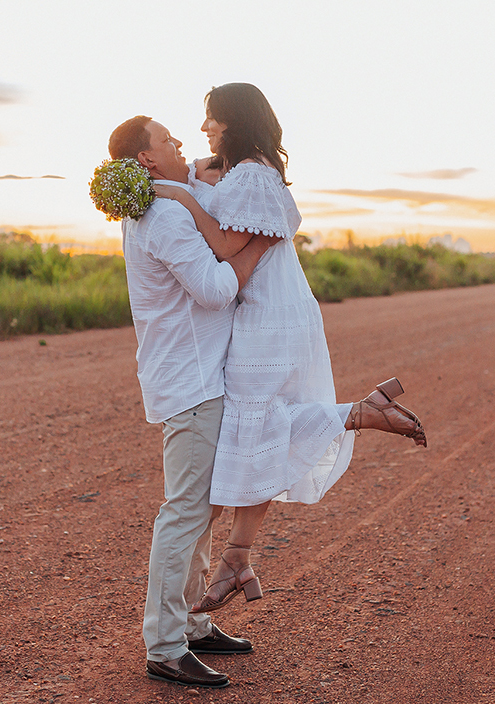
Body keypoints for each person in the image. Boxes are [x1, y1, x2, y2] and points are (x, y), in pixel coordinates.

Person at [152, 83, 427, 614]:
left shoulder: (252, 173)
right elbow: (209, 184)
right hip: (276, 306)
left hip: (267, 311)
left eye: (212, 119)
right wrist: (173, 178)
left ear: (234, 120)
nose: (204, 129)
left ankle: (360, 415)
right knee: (257, 421)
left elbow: (228, 245)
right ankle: (238, 556)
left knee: (253, 419)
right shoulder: (245, 169)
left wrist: (183, 197)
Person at [108, 115, 277, 689]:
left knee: (201, 507)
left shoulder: (167, 203)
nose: (181, 142)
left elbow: (209, 182)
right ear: (148, 161)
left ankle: (193, 624)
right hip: (191, 381)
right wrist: (255, 248)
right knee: (184, 511)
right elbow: (213, 289)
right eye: (168, 140)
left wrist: (199, 176)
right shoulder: (161, 216)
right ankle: (163, 643)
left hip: (200, 377)